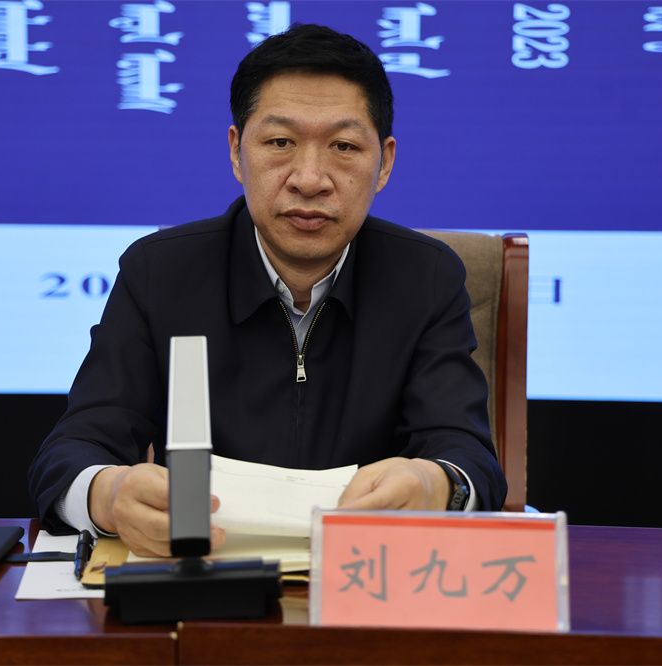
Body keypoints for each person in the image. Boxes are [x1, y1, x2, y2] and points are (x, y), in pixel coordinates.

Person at [29, 24, 507, 556]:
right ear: (237, 152)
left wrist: (436, 484)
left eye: (344, 146)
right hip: (205, 575)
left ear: (385, 163)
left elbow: (469, 459)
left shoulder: (426, 277)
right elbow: (72, 451)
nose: (310, 178)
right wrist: (108, 494)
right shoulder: (159, 272)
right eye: (280, 143)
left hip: (366, 575)